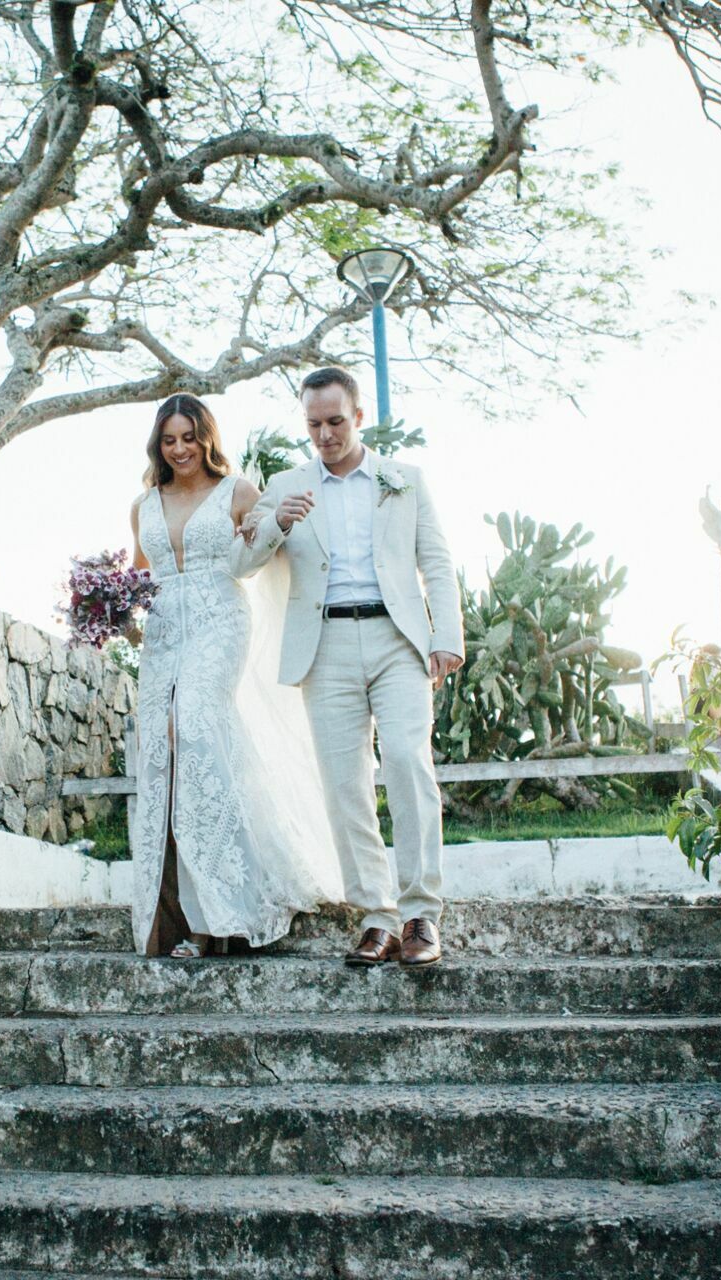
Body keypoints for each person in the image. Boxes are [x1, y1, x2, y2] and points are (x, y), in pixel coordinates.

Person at [238, 367, 463, 967]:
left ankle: (421, 915)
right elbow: (242, 560)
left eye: (335, 421)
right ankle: (377, 917)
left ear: (358, 416)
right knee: (345, 785)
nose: (325, 434)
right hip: (325, 644)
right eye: (313, 424)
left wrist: (447, 638)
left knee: (410, 764)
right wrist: (278, 523)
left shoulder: (403, 480)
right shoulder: (285, 483)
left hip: (398, 641)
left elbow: (437, 564)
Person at [126, 393, 338, 957]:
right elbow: (138, 580)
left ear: (207, 438)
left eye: (189, 438)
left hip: (220, 621)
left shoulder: (238, 491)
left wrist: (274, 526)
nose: (180, 449)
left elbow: (260, 558)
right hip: (164, 634)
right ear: (159, 444)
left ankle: (217, 915)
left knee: (193, 729)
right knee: (160, 753)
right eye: (169, 440)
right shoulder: (143, 505)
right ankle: (171, 915)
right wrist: (114, 616)